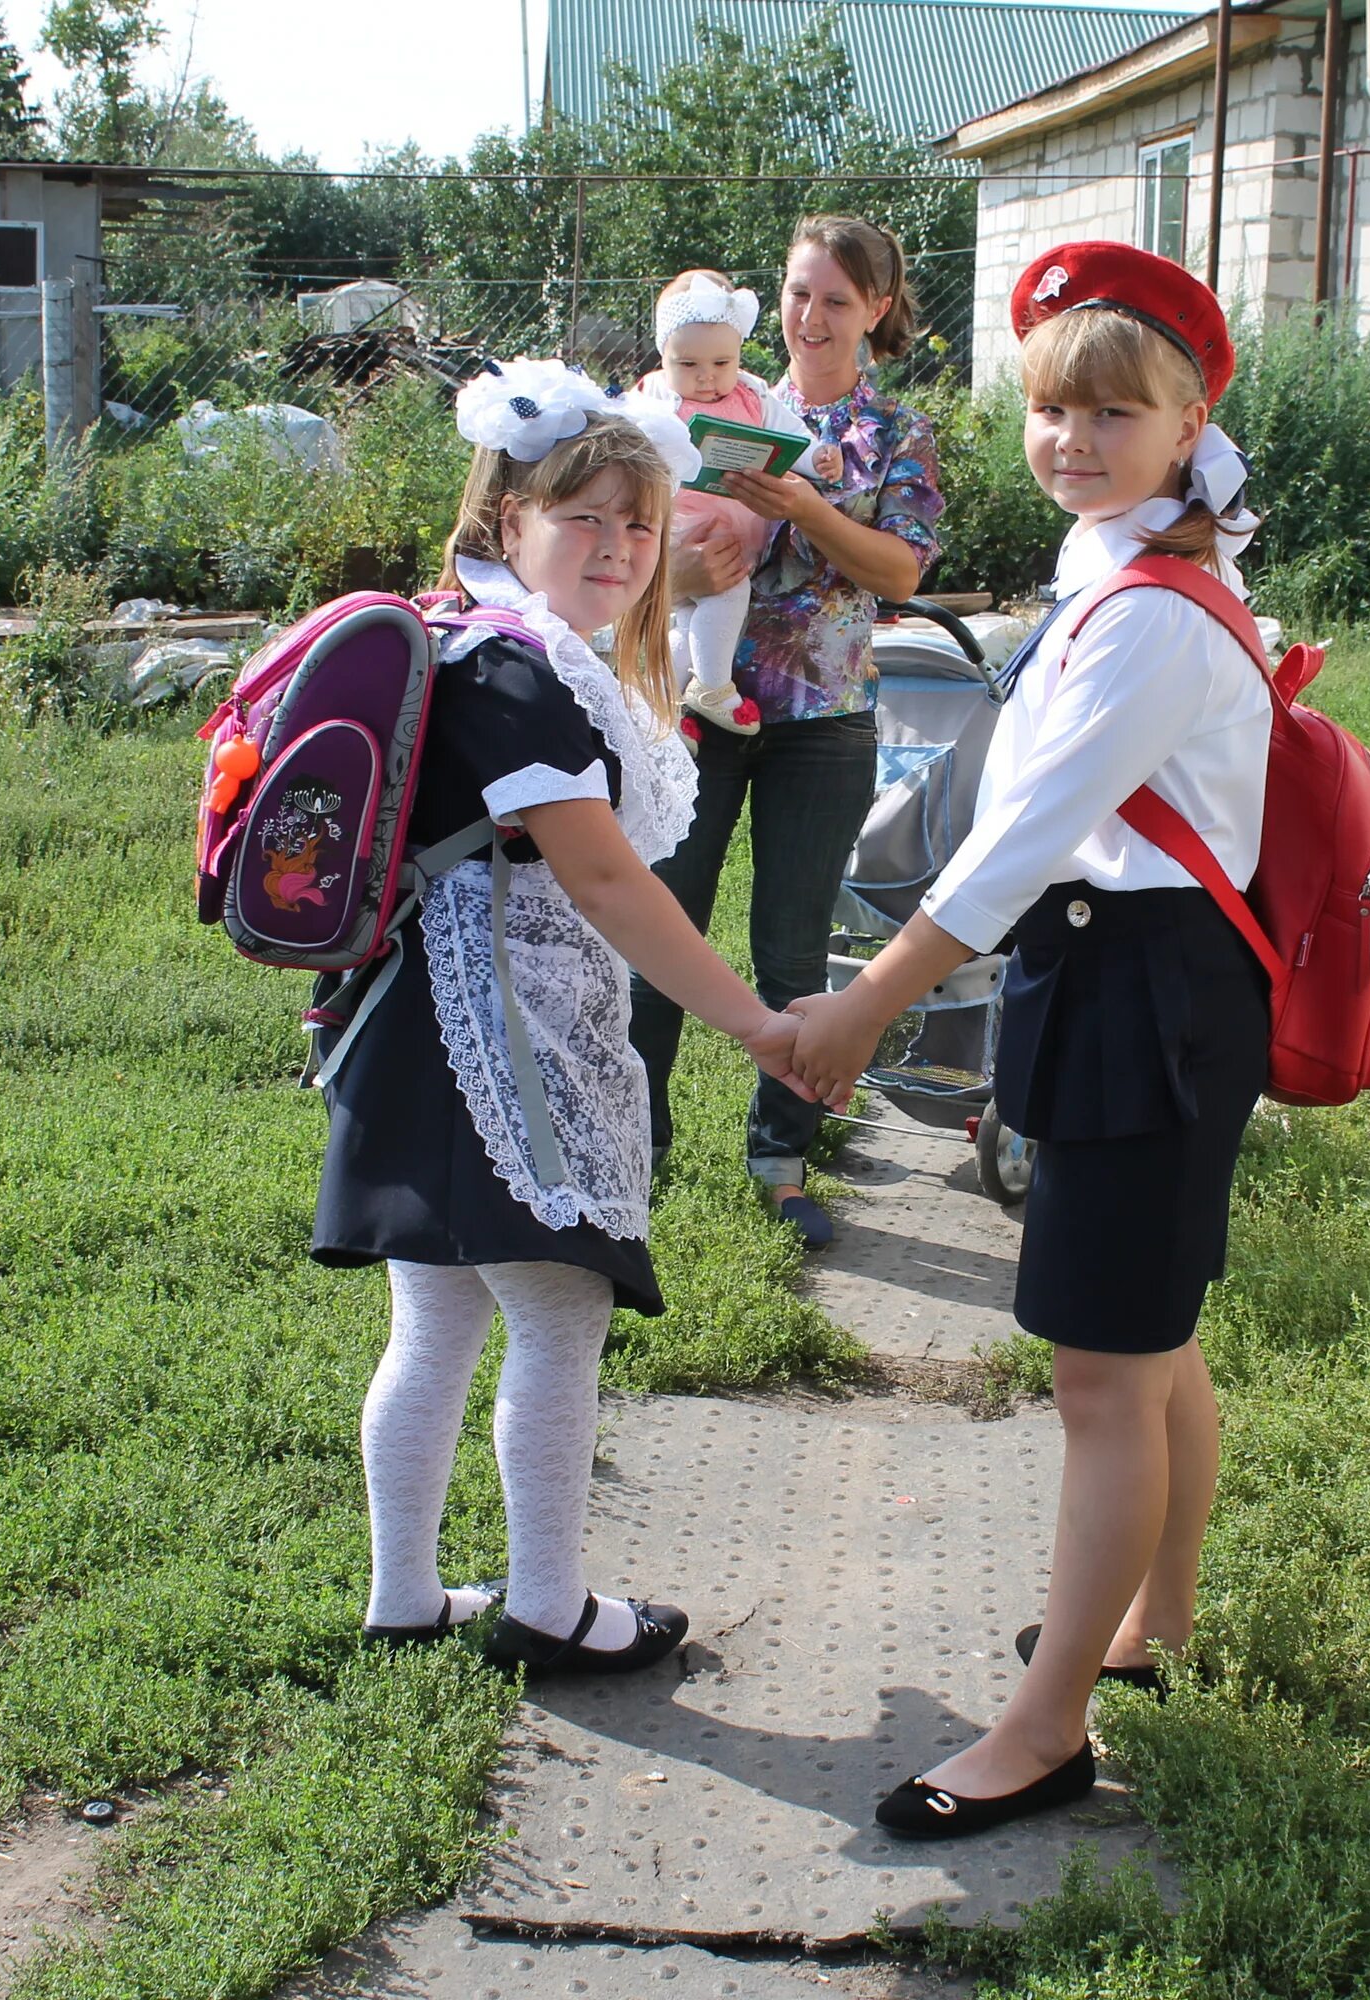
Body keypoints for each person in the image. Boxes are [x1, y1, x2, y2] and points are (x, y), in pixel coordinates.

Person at [783, 242, 1269, 1834]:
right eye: (1054, 409)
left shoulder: (1150, 617)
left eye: (1114, 412)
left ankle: (1047, 1731)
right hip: (1121, 977)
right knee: (1154, 1340)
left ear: (1193, 419)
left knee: (1099, 1380)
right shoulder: (1122, 573)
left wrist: (864, 1003)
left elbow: (1010, 848)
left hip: (1144, 989)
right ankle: (1154, 1626)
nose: (1072, 440)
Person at [312, 358, 810, 1677]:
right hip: (493, 1040)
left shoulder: (480, 642)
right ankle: (547, 1608)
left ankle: (406, 1597)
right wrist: (757, 1025)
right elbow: (600, 873)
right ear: (505, 521)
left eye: (638, 523)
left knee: (439, 1324)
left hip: (410, 1022)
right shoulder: (515, 674)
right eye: (580, 516)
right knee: (554, 1314)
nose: (615, 546)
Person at [626, 215, 946, 1248]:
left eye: (837, 301)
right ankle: (637, 1148)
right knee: (658, 928)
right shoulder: (716, 393)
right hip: (693, 710)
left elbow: (901, 572)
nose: (811, 317)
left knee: (793, 949)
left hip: (826, 720)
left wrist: (805, 506)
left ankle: (780, 1154)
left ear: (878, 310)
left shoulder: (893, 431)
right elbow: (610, 536)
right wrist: (665, 574)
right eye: (800, 292)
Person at [636, 270, 839, 739]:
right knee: (726, 592)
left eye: (721, 363)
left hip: (735, 528)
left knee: (688, 620)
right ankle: (712, 687)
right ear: (662, 356)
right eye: (688, 365)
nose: (706, 377)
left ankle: (662, 711)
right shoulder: (655, 397)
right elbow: (629, 444)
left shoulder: (751, 394)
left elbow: (790, 434)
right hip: (688, 530)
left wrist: (818, 456)